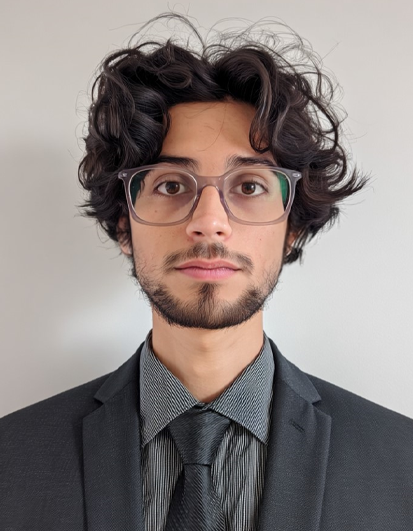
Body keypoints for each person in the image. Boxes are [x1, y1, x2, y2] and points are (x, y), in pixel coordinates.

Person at [1, 13, 412, 531]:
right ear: (124, 225)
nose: (210, 222)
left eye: (250, 186)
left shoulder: (401, 463)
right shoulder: (12, 461)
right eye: (171, 185)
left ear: (292, 228)